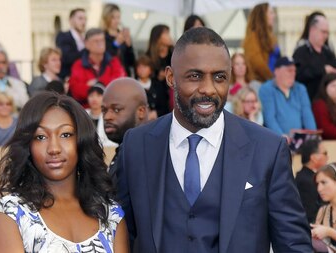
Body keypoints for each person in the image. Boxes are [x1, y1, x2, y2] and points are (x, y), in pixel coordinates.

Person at [117, 27, 312, 252]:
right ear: (171, 77)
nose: (208, 89)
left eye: (219, 77)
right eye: (195, 76)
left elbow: (294, 244)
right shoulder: (136, 146)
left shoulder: (268, 149)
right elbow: (120, 235)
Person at [0, 92, 129, 252]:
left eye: (65, 135)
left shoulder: (111, 215)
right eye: (40, 137)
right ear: (28, 146)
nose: (54, 148)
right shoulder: (9, 213)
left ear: (81, 141)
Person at [102, 77, 149, 184]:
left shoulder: (147, 156)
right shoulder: (126, 150)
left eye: (116, 109)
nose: (107, 116)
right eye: (104, 110)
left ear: (141, 111)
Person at [259, 56, 317, 139]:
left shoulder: (300, 88)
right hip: (277, 141)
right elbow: (269, 117)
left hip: (299, 141)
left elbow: (307, 114)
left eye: (294, 71)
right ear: (277, 71)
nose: (293, 73)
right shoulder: (266, 89)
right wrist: (281, 137)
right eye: (289, 70)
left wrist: (313, 136)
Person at [293, 12, 336, 101]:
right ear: (312, 30)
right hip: (308, 100)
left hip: (328, 103)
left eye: (327, 32)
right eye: (323, 32)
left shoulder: (328, 52)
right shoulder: (301, 52)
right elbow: (298, 75)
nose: (325, 36)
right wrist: (322, 70)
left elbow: (335, 75)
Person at [69, 28, 126, 107]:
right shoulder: (78, 65)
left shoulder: (114, 62)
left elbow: (120, 85)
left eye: (102, 40)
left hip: (111, 110)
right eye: (96, 41)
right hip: (86, 112)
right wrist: (105, 86)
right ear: (86, 44)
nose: (100, 44)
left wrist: (95, 84)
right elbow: (76, 91)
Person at [242, 2, 280, 82]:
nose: (274, 16)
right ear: (262, 16)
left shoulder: (271, 37)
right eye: (271, 13)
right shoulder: (252, 37)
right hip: (262, 83)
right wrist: (272, 78)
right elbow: (257, 63)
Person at [295, 139, 328, 224]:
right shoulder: (306, 182)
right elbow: (310, 214)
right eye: (325, 153)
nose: (328, 157)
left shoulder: (307, 177)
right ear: (314, 158)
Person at [101, 3, 136, 76]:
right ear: (106, 18)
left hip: (124, 75)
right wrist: (116, 44)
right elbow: (105, 58)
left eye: (118, 17)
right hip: (109, 76)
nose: (117, 21)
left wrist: (129, 46)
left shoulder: (123, 35)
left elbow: (131, 62)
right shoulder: (102, 36)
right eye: (113, 18)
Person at [145, 24, 173, 110]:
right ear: (158, 37)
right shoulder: (149, 57)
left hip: (172, 99)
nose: (169, 36)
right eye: (166, 33)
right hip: (155, 102)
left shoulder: (174, 53)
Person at [56, 8, 87, 80]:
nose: (83, 22)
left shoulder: (86, 39)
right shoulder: (63, 36)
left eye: (85, 19)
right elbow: (67, 58)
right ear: (71, 20)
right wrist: (86, 47)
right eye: (80, 18)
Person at [135, 55, 169, 119]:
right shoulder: (133, 86)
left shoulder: (158, 85)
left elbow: (165, 107)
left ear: (150, 69)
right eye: (139, 67)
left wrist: (156, 113)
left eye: (144, 67)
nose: (141, 69)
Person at [86, 84, 117, 148]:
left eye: (98, 95)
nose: (94, 99)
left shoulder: (110, 116)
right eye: (91, 96)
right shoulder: (83, 114)